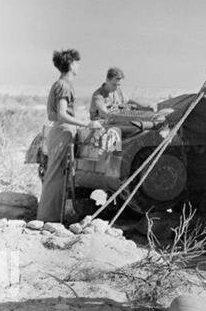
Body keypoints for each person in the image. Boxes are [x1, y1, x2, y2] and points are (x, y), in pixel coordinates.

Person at [38, 49, 102, 224]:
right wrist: (87, 124)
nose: (79, 65)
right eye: (77, 62)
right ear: (72, 64)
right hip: (63, 131)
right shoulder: (65, 85)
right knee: (55, 176)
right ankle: (48, 219)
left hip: (59, 131)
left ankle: (49, 218)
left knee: (55, 175)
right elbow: (61, 114)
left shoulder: (58, 84)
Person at [89, 67, 154, 122]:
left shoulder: (117, 90)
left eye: (118, 85)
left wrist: (142, 108)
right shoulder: (98, 96)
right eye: (114, 84)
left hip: (118, 122)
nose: (116, 87)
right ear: (107, 80)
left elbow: (128, 101)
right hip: (103, 127)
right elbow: (105, 114)